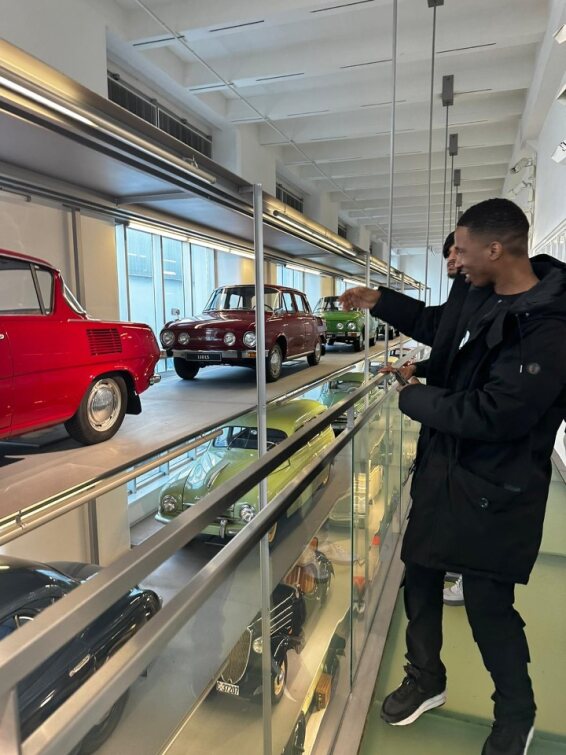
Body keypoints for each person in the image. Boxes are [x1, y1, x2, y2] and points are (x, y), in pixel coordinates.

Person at [339, 198, 566, 755]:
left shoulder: (548, 328)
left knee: (490, 605)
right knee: (418, 577)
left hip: (499, 489)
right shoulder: (486, 294)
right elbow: (447, 334)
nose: (455, 260)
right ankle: (425, 679)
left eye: (461, 250)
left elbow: (498, 414)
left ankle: (516, 712)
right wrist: (384, 304)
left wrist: (416, 400)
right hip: (445, 471)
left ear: (494, 249)